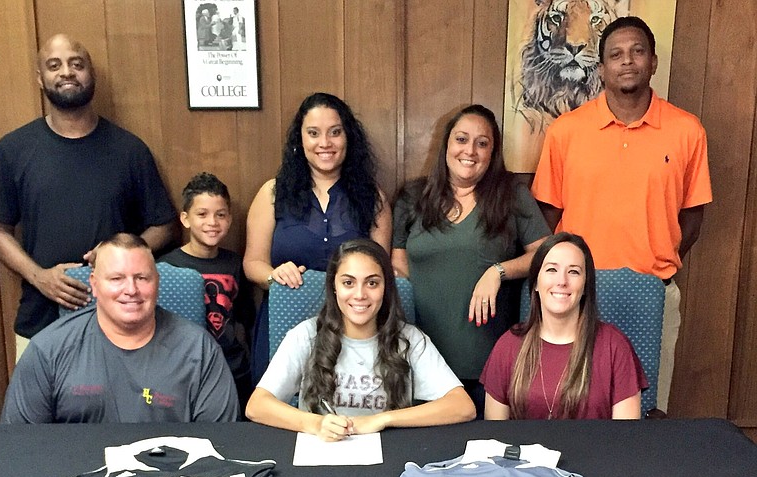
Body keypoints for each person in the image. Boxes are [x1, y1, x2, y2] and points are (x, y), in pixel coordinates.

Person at [531, 16, 712, 414]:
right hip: (576, 295)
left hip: (653, 290)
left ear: (653, 62)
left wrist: (660, 262)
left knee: (648, 411)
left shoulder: (686, 131)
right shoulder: (566, 131)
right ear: (602, 69)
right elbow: (546, 213)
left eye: (637, 52)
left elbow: (693, 216)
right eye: (615, 54)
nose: (626, 61)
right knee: (574, 406)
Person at [0, 33, 177, 356]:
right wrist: (40, 277)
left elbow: (164, 225)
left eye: (77, 64)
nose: (67, 73)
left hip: (120, 324)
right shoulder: (14, 148)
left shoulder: (129, 150)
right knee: (36, 408)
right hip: (40, 321)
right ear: (40, 78)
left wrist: (117, 252)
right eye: (54, 65)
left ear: (92, 74)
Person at [392, 104, 549, 413]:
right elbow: (397, 264)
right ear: (447, 145)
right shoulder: (413, 197)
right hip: (420, 362)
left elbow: (546, 256)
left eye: (483, 143)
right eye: (462, 139)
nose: (471, 151)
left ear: (493, 152)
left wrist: (498, 271)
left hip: (487, 366)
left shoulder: (512, 196)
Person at [246, 239, 475, 439]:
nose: (360, 294)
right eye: (348, 283)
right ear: (334, 287)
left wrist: (382, 420)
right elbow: (257, 406)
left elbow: (462, 406)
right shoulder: (305, 335)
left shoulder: (409, 339)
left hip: (391, 452)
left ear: (386, 288)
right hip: (321, 450)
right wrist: (316, 424)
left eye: (372, 283)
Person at [1, 234, 238, 424]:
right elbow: (20, 447)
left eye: (142, 278)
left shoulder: (201, 350)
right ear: (94, 284)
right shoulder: (47, 350)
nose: (131, 290)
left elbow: (220, 446)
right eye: (116, 279)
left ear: (157, 282)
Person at [244, 92, 392, 381]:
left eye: (335, 132)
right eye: (313, 133)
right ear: (300, 140)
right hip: (284, 321)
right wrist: (274, 275)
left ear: (348, 138)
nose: (325, 143)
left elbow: (381, 272)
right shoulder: (272, 194)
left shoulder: (373, 199)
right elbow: (252, 263)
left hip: (355, 328)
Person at [481, 233, 647, 420]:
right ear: (535, 282)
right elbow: (495, 438)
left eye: (574, 272)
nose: (562, 281)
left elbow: (625, 438)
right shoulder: (508, 346)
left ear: (585, 286)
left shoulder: (615, 346)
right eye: (552, 270)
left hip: (595, 450)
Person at [159, 172, 253, 415]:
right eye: (202, 214)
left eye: (220, 215)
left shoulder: (235, 263)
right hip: (185, 370)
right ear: (185, 218)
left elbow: (244, 319)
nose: (212, 222)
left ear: (230, 219)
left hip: (232, 368)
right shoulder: (166, 267)